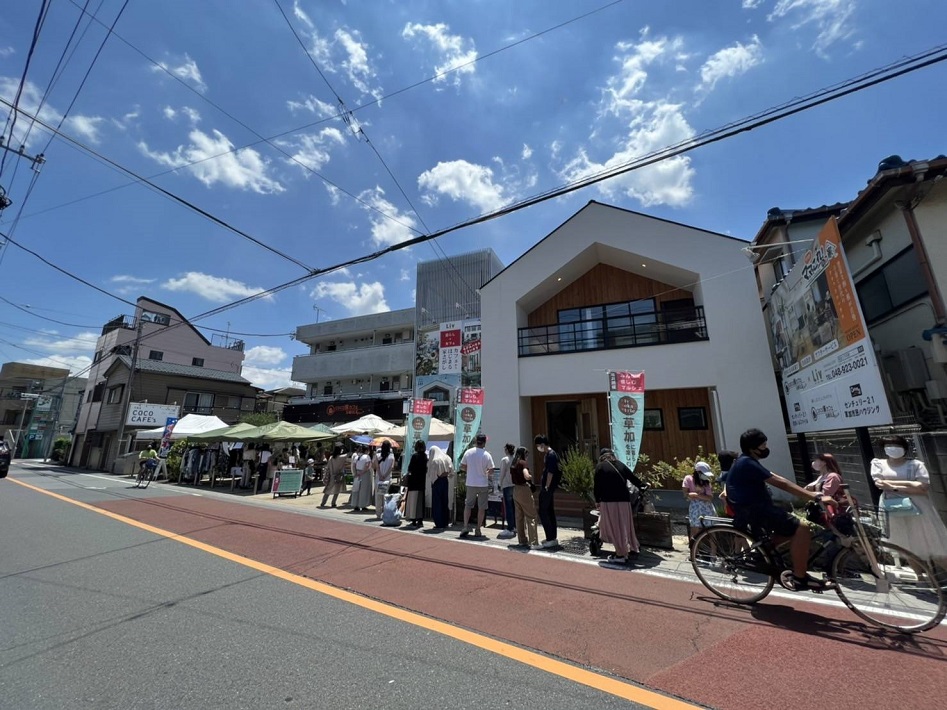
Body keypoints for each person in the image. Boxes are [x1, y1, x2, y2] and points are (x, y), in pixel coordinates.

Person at [726, 429, 837, 592]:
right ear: (752, 448)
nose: (766, 447)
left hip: (753, 508)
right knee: (802, 528)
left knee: (788, 529)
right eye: (763, 444)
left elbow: (778, 478)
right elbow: (781, 484)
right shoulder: (747, 463)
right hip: (756, 509)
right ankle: (800, 578)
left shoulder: (746, 461)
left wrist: (811, 494)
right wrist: (815, 498)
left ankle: (762, 553)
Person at [870, 435, 947, 568]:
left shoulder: (916, 464)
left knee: (931, 541)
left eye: (897, 446)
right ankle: (920, 577)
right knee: (904, 543)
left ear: (904, 448)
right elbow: (879, 484)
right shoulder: (878, 463)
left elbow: (923, 487)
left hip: (919, 506)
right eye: (888, 446)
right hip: (892, 507)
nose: (893, 449)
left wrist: (892, 486)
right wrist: (910, 485)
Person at [594, 449, 645, 564]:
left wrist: (597, 501)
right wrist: (643, 485)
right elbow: (633, 478)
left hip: (608, 501)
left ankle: (620, 554)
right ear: (612, 456)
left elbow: (597, 486)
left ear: (602, 457)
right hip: (624, 501)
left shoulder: (600, 467)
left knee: (615, 528)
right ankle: (632, 548)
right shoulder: (621, 465)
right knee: (626, 526)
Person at [459, 433, 495, 538]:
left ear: (476, 441)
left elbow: (462, 466)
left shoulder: (468, 452)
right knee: (481, 508)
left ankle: (465, 526)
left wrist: (470, 471)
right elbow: (491, 470)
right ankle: (478, 529)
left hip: (470, 482)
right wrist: (486, 472)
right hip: (483, 483)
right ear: (484, 442)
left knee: (468, 505)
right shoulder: (487, 454)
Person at [533, 435, 562, 548]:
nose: (538, 448)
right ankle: (551, 537)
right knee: (549, 511)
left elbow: (550, 472)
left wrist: (546, 486)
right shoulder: (551, 454)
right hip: (549, 487)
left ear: (542, 444)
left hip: (547, 488)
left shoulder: (550, 455)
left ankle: (550, 537)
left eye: (538, 445)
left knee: (543, 511)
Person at [509, 446, 540, 549]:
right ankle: (534, 542)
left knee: (519, 517)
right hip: (524, 489)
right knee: (531, 516)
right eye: (526, 454)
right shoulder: (523, 463)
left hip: (516, 490)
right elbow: (526, 475)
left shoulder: (513, 463)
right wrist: (530, 477)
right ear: (523, 454)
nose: (527, 456)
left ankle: (522, 540)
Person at [683, 461, 717, 544]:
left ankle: (713, 553)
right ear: (697, 472)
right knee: (694, 529)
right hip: (695, 507)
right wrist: (696, 495)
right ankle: (694, 552)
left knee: (711, 530)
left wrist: (696, 495)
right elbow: (686, 494)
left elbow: (709, 497)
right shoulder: (688, 479)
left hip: (707, 507)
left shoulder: (706, 482)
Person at [427, 445, 455, 529]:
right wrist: (446, 474)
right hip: (445, 481)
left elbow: (433, 475)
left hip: (437, 482)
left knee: (437, 503)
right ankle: (445, 521)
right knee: (444, 501)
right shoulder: (447, 457)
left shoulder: (435, 460)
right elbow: (451, 471)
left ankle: (439, 523)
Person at [404, 440, 428, 527]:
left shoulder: (415, 456)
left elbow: (410, 468)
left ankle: (413, 519)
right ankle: (420, 520)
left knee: (413, 501)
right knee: (420, 502)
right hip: (422, 482)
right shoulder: (425, 457)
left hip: (413, 482)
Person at [496, 444, 517, 540]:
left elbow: (502, 473)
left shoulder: (505, 460)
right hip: (515, 485)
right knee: (514, 507)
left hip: (507, 484)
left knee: (508, 507)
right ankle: (516, 526)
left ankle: (510, 528)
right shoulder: (515, 459)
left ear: (507, 450)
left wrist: (499, 483)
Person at [373, 441, 396, 521]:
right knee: (385, 497)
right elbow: (391, 467)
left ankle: (378, 513)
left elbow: (376, 467)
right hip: (387, 479)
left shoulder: (377, 455)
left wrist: (380, 475)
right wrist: (385, 475)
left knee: (378, 496)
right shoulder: (392, 456)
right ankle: (385, 512)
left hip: (378, 479)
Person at [348, 445, 373, 511]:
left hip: (357, 473)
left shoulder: (356, 456)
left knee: (356, 489)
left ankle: (355, 504)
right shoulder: (367, 456)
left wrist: (355, 473)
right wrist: (362, 472)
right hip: (365, 474)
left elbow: (353, 465)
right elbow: (367, 466)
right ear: (367, 450)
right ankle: (363, 504)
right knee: (364, 490)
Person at [716, 449, 739, 516]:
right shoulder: (736, 473)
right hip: (739, 507)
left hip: (730, 508)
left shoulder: (723, 475)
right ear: (734, 461)